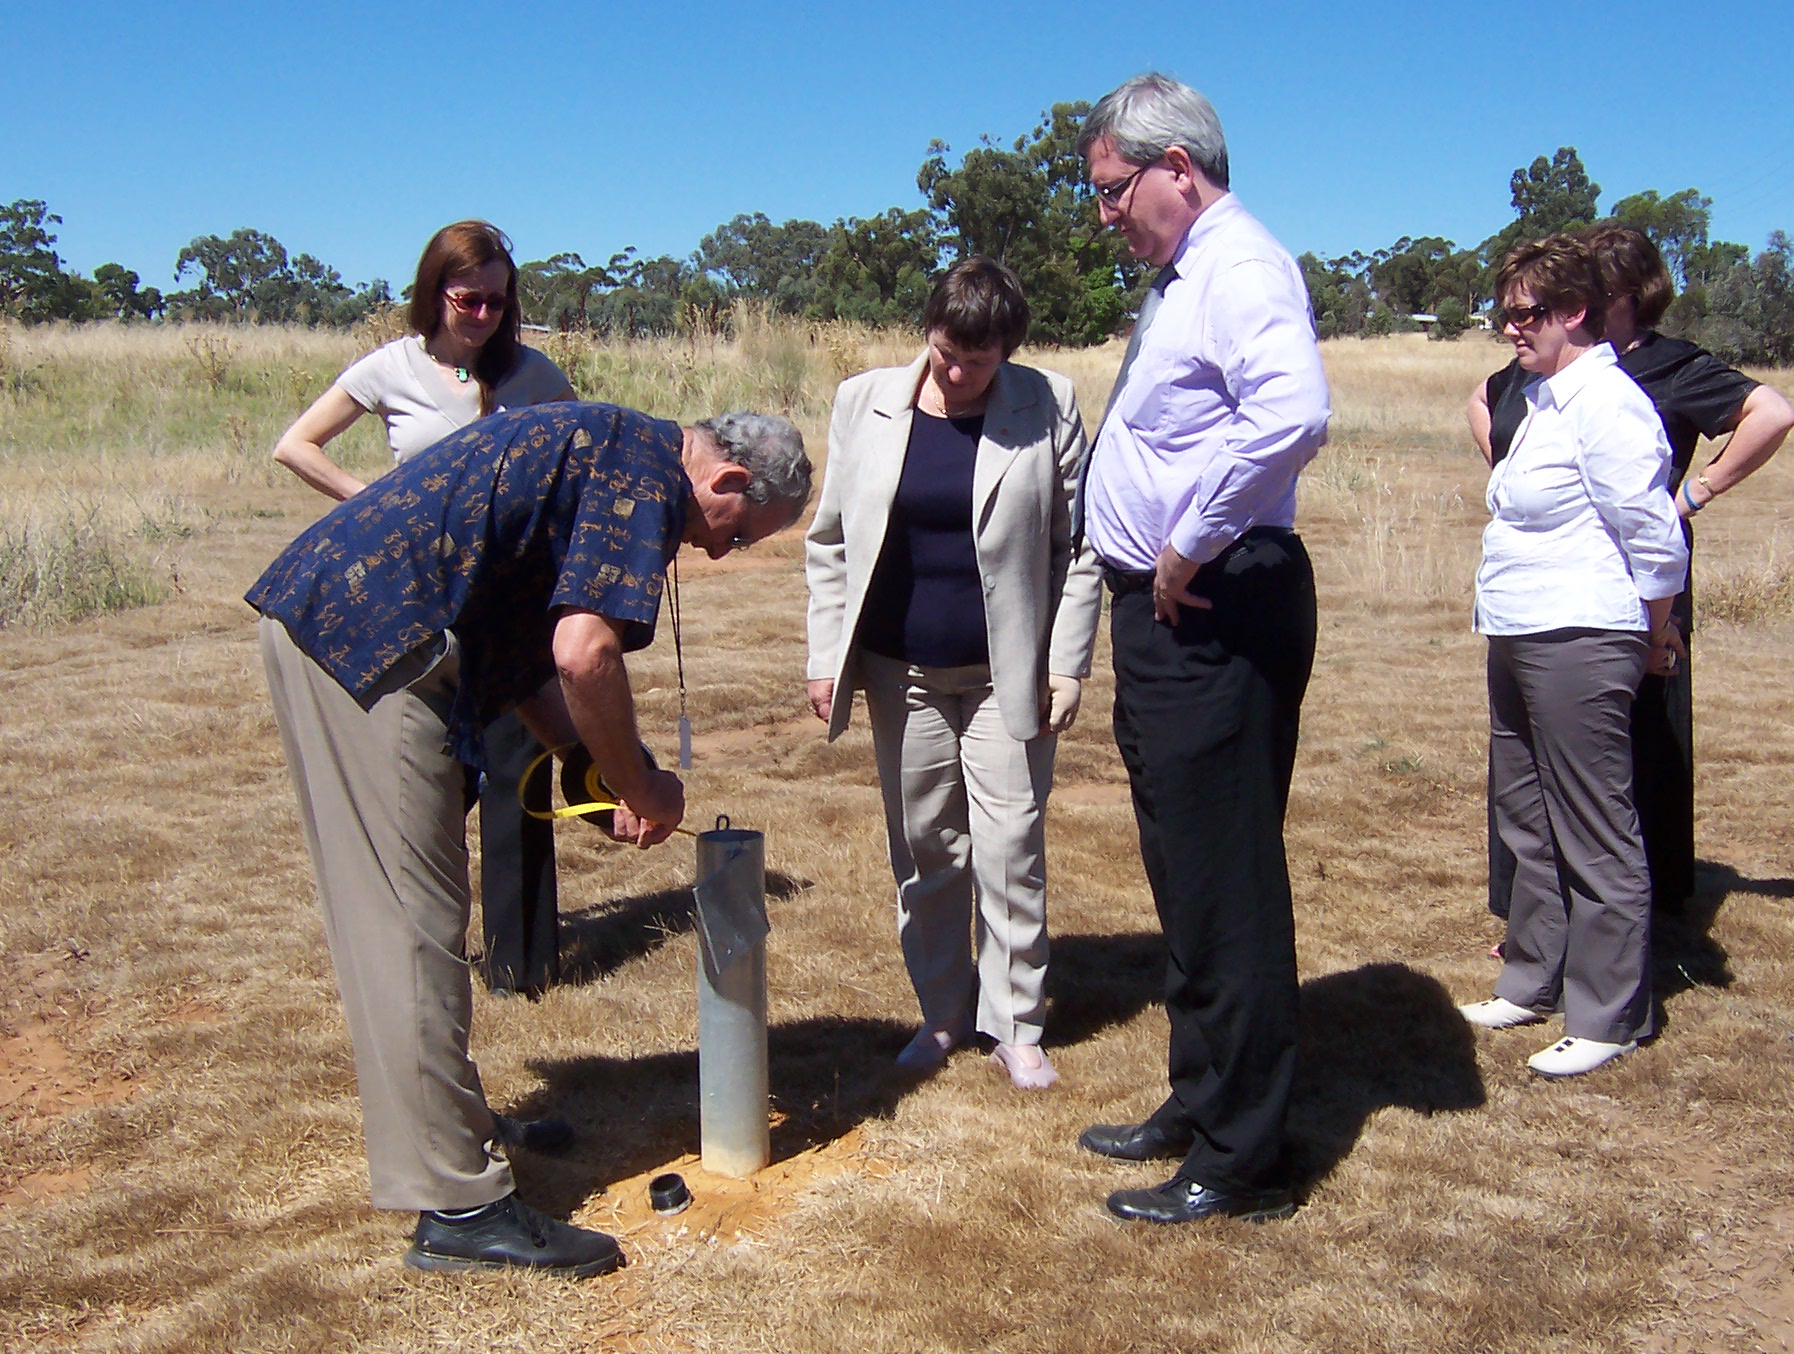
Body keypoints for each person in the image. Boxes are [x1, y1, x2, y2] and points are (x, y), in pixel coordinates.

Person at [247, 403, 811, 1276]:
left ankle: (454, 1125)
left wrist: (595, 768)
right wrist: (639, 781)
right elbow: (585, 654)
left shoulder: (619, 453)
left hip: (381, 633)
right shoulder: (644, 478)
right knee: (409, 928)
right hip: (366, 642)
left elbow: (528, 664)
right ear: (727, 480)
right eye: (739, 533)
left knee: (424, 912)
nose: (720, 552)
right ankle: (458, 1208)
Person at [1070, 74, 1330, 1223]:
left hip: (1213, 601)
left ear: (1178, 166)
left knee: (1223, 879)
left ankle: (1243, 1155)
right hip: (1166, 610)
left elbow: (1293, 410)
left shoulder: (1239, 265)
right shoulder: (1184, 279)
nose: (1105, 213)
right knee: (1184, 867)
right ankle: (1202, 1094)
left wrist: (1183, 542)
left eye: (1113, 189)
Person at [804, 258, 1102, 1091]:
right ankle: (941, 1012)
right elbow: (829, 542)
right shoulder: (862, 402)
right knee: (927, 846)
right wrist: (827, 654)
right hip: (903, 673)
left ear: (1008, 348)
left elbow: (1075, 548)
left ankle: (1016, 1024)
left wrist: (1065, 665)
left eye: (979, 359)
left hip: (1009, 676)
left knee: (1011, 848)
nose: (961, 373)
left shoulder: (1047, 403)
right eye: (946, 354)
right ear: (927, 336)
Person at [271, 220, 578, 996]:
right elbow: (295, 444)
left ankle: (524, 964)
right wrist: (373, 502)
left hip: (510, 598)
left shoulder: (535, 377)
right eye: (470, 299)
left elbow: (577, 456)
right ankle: (434, 955)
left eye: (500, 303)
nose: (484, 316)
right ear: (434, 292)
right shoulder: (390, 368)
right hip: (424, 607)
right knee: (435, 784)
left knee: (523, 767)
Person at [1470, 224, 1794, 933]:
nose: (1521, 324)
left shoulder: (1652, 375)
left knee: (1633, 754)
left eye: (1589, 288)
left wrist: (1693, 494)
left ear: (1616, 297)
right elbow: (1485, 399)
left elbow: (1771, 413)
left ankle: (1630, 926)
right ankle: (1539, 932)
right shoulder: (1546, 372)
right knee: (1533, 777)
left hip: (1634, 588)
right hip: (1542, 600)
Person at [1457, 235, 1689, 1079]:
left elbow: (1655, 535)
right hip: (1519, 629)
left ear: (1575, 312)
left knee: (1594, 826)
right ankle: (1530, 979)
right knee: (1524, 816)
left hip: (1583, 636)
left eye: (1525, 313)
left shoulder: (1608, 403)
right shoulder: (1547, 399)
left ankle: (1609, 1013)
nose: (1511, 329)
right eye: (1506, 314)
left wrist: (1656, 630)